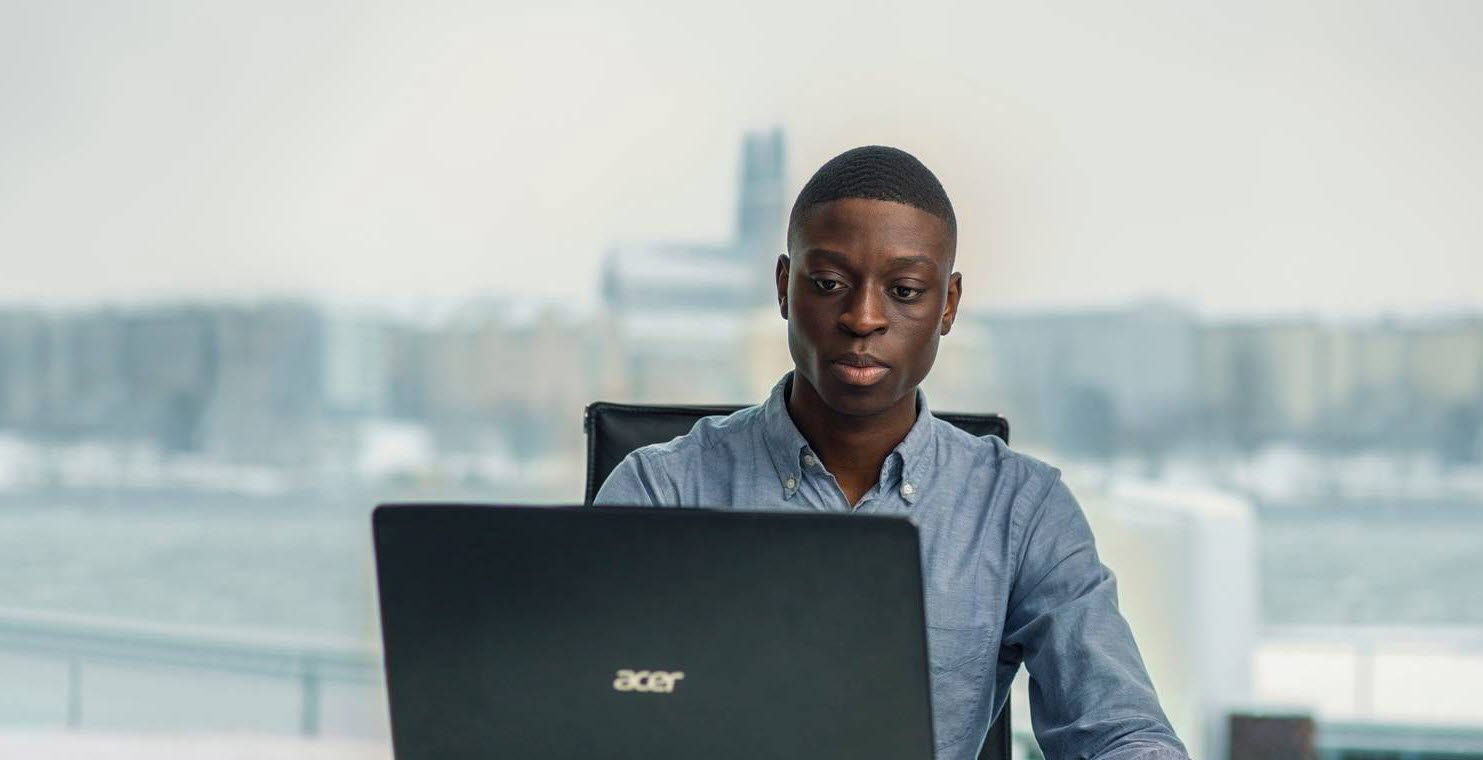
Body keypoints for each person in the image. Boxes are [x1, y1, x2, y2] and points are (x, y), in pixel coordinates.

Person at [594, 145, 1189, 760]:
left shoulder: (1022, 509)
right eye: (828, 284)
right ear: (783, 287)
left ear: (948, 305)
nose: (863, 318)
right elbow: (579, 711)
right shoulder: (659, 491)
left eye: (904, 291)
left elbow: (1124, 732)